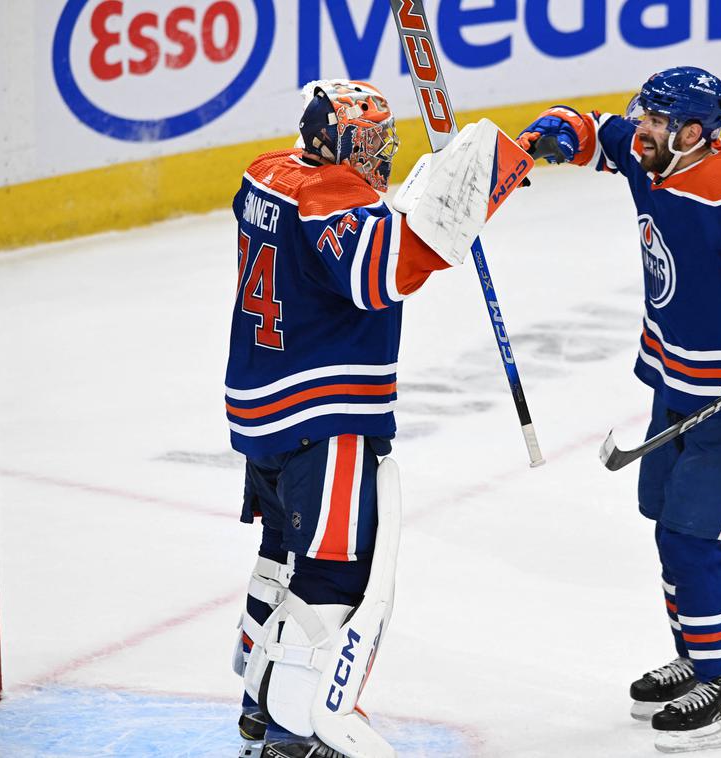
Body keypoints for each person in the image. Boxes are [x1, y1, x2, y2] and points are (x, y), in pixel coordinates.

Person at [517, 67, 721, 750]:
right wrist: (558, 130)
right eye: (642, 114)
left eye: (654, 119)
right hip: (675, 382)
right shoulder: (654, 155)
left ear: (690, 132)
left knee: (692, 538)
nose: (639, 128)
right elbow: (600, 132)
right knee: (665, 522)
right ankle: (699, 655)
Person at [224, 79, 526, 758]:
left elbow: (364, 227)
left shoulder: (267, 173)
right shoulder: (334, 195)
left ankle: (256, 704)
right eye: (364, 140)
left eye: (383, 139)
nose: (378, 153)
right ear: (327, 139)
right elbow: (382, 271)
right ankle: (290, 733)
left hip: (263, 406)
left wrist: (445, 192)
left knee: (281, 555)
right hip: (321, 418)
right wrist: (474, 193)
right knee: (333, 575)